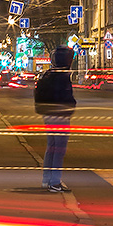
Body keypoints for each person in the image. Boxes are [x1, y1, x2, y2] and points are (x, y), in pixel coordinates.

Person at [34, 46, 77, 193]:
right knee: (59, 150)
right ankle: (55, 183)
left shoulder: (48, 74)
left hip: (48, 115)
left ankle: (46, 180)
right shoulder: (62, 76)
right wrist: (72, 105)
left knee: (51, 148)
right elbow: (65, 97)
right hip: (60, 115)